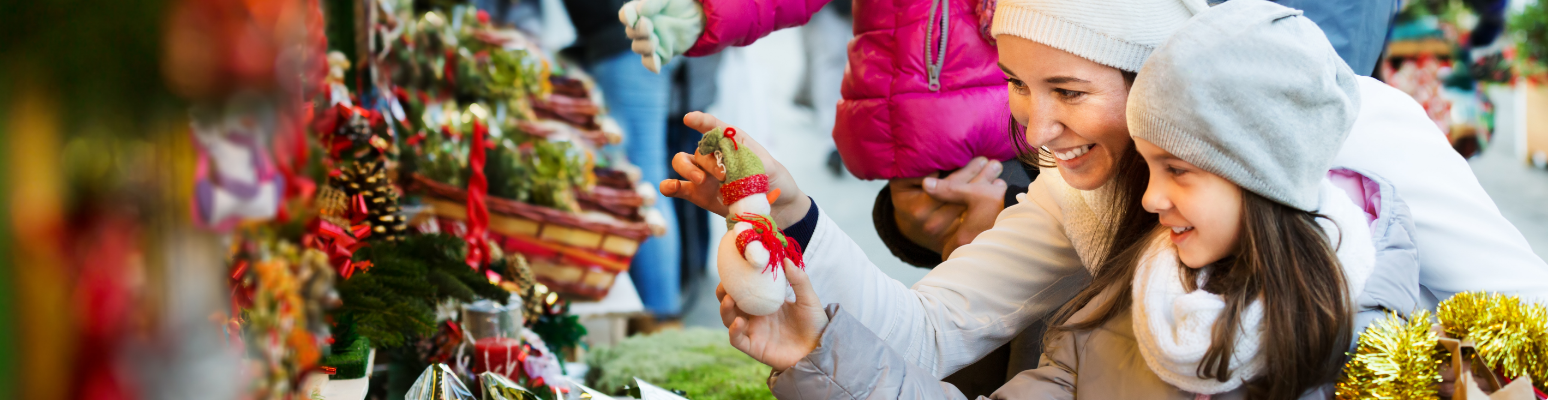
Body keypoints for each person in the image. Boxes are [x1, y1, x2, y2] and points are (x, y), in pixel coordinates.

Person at [662, 0, 1548, 383]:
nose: (1032, 131)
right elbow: (930, 333)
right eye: (1014, 83)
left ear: (1158, 72)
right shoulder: (1073, 191)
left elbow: (1526, 314)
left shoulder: (1355, 126)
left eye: (1070, 92)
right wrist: (794, 219)